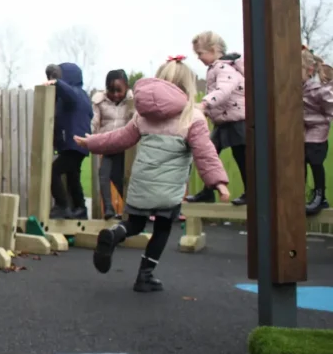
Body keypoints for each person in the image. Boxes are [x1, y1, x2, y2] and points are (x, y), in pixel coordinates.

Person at [75, 56, 229, 292]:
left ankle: (114, 235)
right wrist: (218, 182)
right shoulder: (192, 117)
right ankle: (144, 276)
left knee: (134, 224)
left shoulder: (143, 116)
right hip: (168, 191)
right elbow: (205, 153)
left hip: (141, 185)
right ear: (186, 86)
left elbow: (118, 138)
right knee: (163, 228)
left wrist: (91, 142)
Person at [186, 31, 248, 205]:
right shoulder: (215, 68)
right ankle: (208, 191)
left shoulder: (224, 68)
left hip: (237, 121)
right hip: (223, 121)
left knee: (241, 157)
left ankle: (251, 191)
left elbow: (223, 91)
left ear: (213, 50)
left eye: (200, 53)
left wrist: (204, 104)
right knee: (208, 154)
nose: (198, 58)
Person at [45, 62, 93, 219]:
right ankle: (81, 209)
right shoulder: (81, 95)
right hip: (76, 144)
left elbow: (67, 92)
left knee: (54, 171)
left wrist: (57, 82)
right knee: (73, 176)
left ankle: (62, 205)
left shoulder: (74, 94)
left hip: (74, 144)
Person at [91, 69, 134, 219]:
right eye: (111, 90)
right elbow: (95, 121)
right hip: (108, 144)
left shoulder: (131, 102)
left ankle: (132, 208)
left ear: (126, 88)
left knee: (120, 177)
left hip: (125, 146)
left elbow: (135, 122)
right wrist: (90, 135)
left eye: (119, 91)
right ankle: (108, 208)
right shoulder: (100, 101)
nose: (115, 94)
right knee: (104, 173)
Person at [302, 47, 333, 216]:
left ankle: (320, 195)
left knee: (315, 162)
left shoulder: (318, 89)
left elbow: (330, 105)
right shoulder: (296, 87)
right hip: (302, 129)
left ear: (309, 70)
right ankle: (302, 194)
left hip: (317, 130)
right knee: (300, 161)